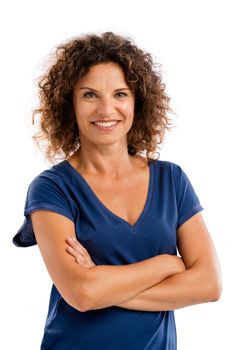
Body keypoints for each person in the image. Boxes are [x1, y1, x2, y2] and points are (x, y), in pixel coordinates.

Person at [13, 32, 222, 350]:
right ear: (70, 103)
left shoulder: (172, 180)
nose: (106, 108)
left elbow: (209, 284)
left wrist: (102, 283)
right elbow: (81, 294)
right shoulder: (52, 188)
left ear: (138, 101)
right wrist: (166, 264)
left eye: (120, 94)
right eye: (90, 95)